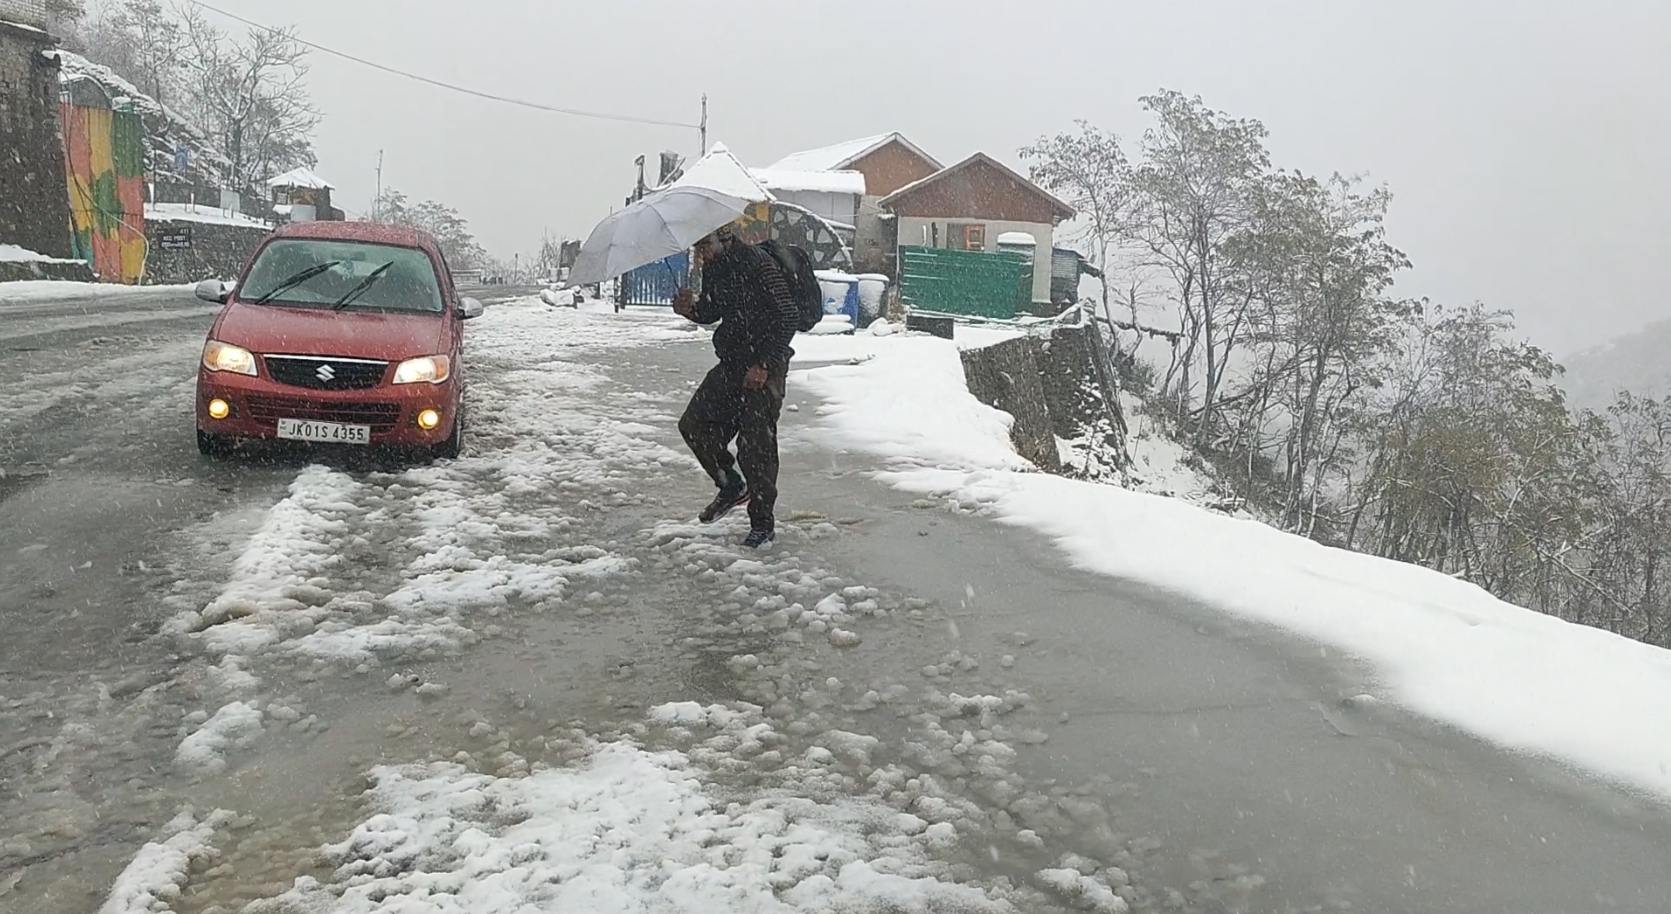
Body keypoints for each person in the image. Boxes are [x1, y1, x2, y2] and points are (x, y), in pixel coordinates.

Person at [672, 226, 799, 548]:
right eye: (697, 248)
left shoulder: (758, 264)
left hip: (764, 366)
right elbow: (715, 310)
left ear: (725, 238)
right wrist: (692, 309)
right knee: (694, 425)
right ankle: (731, 486)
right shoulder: (716, 267)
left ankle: (762, 525)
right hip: (731, 364)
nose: (701, 254)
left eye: (705, 246)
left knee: (755, 447)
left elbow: (787, 315)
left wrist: (764, 364)